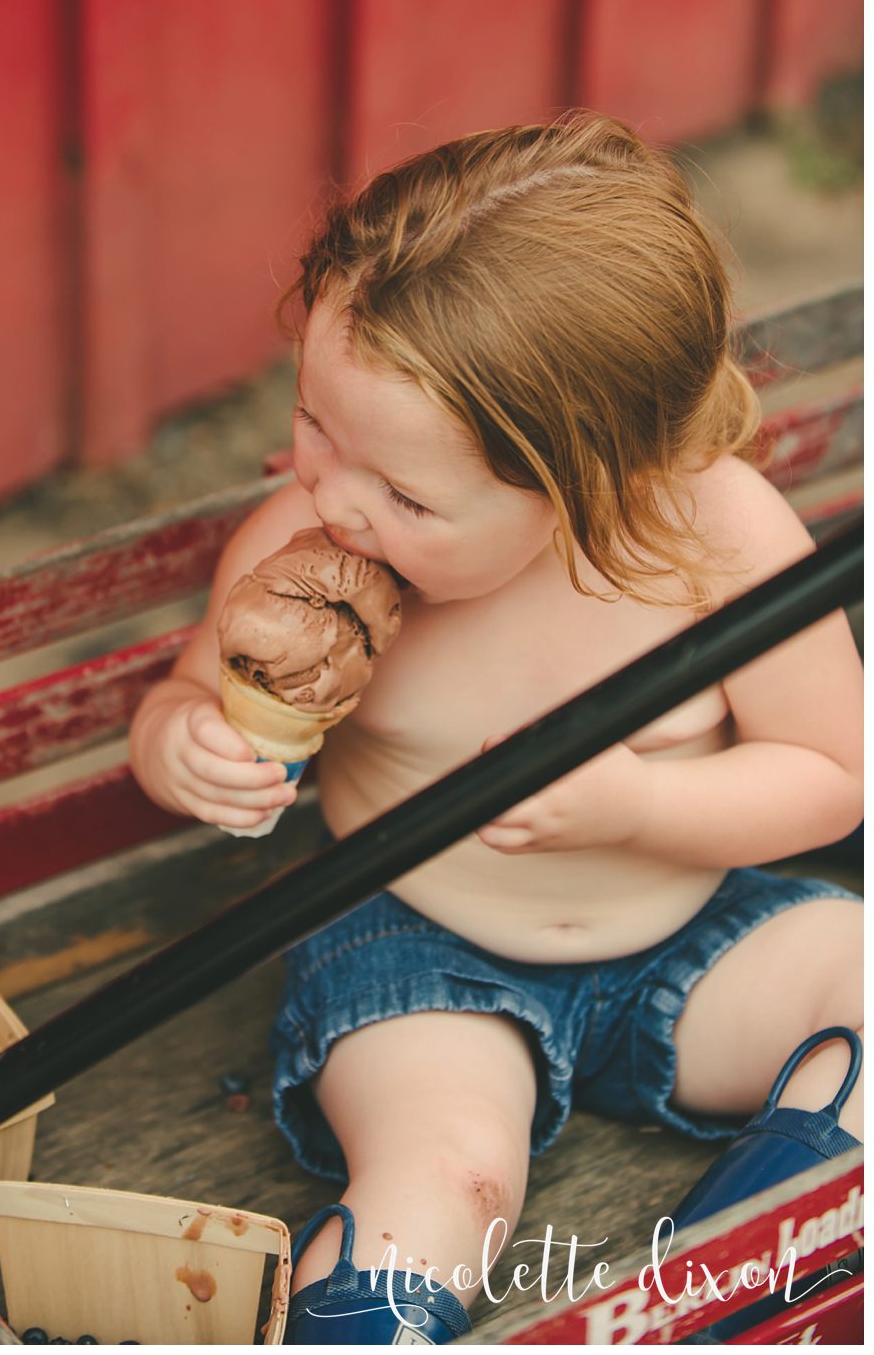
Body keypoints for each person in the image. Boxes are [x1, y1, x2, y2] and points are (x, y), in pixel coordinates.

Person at [126, 112, 862, 1342]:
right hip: (419, 956)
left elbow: (835, 776)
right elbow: (184, 702)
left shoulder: (719, 541)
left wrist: (643, 807)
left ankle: (761, 1262)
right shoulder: (300, 553)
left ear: (597, 476)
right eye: (314, 421)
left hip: (683, 940)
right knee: (448, 1172)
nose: (331, 496)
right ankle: (369, 1318)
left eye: (405, 492)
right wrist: (185, 745)